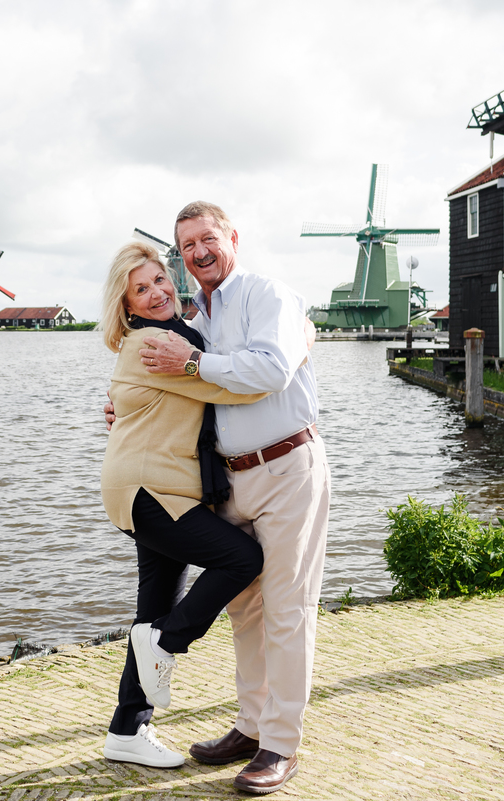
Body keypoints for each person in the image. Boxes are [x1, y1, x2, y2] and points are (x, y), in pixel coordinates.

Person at [107, 201, 329, 795]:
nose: (198, 252)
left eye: (207, 238)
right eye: (187, 247)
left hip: (285, 465)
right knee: (245, 608)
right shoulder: (195, 317)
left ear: (232, 236)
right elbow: (184, 389)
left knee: (287, 609)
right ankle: (251, 725)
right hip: (229, 479)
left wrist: (199, 362)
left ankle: (281, 744)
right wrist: (126, 402)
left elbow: (271, 369)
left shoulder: (266, 294)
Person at [98, 240, 272, 769]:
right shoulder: (156, 344)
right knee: (242, 559)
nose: (156, 293)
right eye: (141, 289)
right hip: (152, 491)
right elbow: (236, 391)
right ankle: (169, 644)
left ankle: (128, 730)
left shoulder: (176, 336)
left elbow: (202, 361)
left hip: (154, 486)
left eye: (159, 280)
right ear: (126, 305)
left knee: (150, 610)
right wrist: (293, 354)